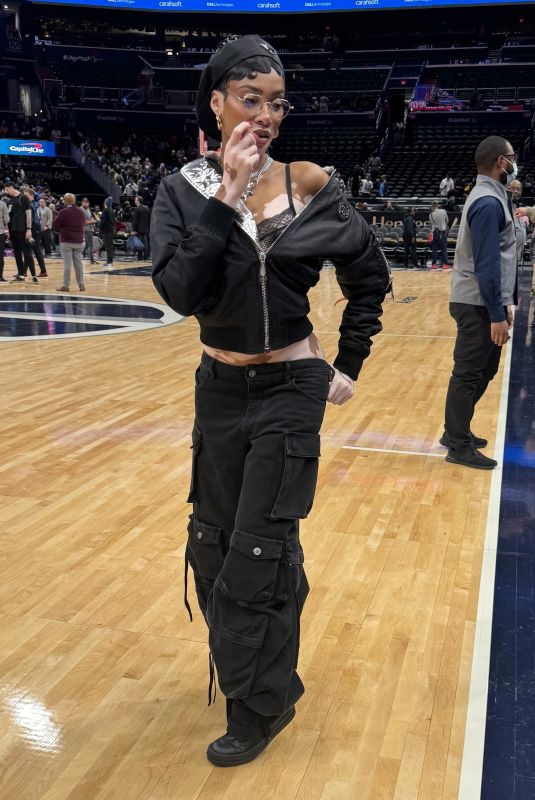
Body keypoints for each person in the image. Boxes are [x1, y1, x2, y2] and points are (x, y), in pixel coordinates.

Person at [151, 35, 390, 769]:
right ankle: (273, 677)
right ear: (217, 102)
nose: (264, 114)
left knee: (258, 550)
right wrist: (227, 193)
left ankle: (258, 708)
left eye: (276, 103)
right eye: (249, 99)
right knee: (217, 547)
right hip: (218, 389)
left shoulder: (312, 183)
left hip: (291, 387)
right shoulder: (181, 191)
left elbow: (368, 278)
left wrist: (345, 363)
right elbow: (180, 292)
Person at [442, 136, 517, 470]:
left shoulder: (493, 196)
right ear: (501, 162)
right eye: (513, 158)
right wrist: (497, 313)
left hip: (482, 301)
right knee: (469, 374)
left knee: (484, 370)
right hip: (477, 303)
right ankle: (457, 444)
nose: (517, 164)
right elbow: (487, 264)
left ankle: (457, 430)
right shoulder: (487, 202)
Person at [5, 181, 37, 283]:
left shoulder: (23, 198)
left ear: (11, 187)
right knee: (17, 254)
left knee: (27, 253)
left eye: (6, 189)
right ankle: (21, 274)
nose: (6, 191)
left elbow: (29, 214)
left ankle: (34, 275)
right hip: (13, 231)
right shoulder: (10, 201)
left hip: (22, 230)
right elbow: (9, 217)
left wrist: (28, 229)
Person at [53, 192, 86, 292]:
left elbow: (55, 225)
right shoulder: (81, 212)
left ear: (66, 201)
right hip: (79, 241)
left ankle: (65, 285)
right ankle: (81, 285)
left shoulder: (63, 212)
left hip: (67, 241)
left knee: (67, 264)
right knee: (78, 264)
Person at [23, 187, 48, 278]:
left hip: (33, 227)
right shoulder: (36, 204)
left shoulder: (31, 204)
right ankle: (24, 271)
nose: (24, 197)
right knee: (30, 250)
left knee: (34, 250)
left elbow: (30, 217)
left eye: (25, 195)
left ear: (31, 195)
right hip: (37, 227)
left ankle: (43, 271)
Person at [429, 201, 449, 269]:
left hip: (435, 233)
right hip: (443, 232)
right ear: (437, 205)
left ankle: (433, 264)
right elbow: (447, 221)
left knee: (434, 249)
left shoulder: (431, 214)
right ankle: (445, 264)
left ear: (432, 206)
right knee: (444, 249)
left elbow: (432, 224)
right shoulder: (443, 211)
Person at [132, 195, 151, 261]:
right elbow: (149, 220)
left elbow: (135, 221)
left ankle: (140, 257)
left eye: (135, 200)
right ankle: (146, 256)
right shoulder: (147, 209)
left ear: (138, 201)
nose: (134, 201)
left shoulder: (137, 209)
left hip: (138, 230)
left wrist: (134, 230)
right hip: (146, 229)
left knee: (139, 243)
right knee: (145, 243)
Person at [99, 197, 115, 269]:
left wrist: (99, 226)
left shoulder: (105, 210)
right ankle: (110, 261)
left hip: (106, 230)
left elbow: (103, 220)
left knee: (108, 246)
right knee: (110, 246)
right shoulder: (111, 210)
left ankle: (109, 262)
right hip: (111, 230)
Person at [81, 197, 97, 265]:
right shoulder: (81, 210)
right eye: (84, 202)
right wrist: (92, 221)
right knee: (91, 245)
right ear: (82, 203)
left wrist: (92, 219)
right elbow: (83, 222)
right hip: (86, 229)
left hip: (90, 228)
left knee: (87, 244)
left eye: (87, 202)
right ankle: (92, 260)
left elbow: (90, 217)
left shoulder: (88, 209)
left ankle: (82, 253)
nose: (86, 204)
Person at [0, 187, 8, 282]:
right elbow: (7, 220)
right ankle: (0, 276)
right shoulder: (2, 204)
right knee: (0, 256)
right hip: (0, 232)